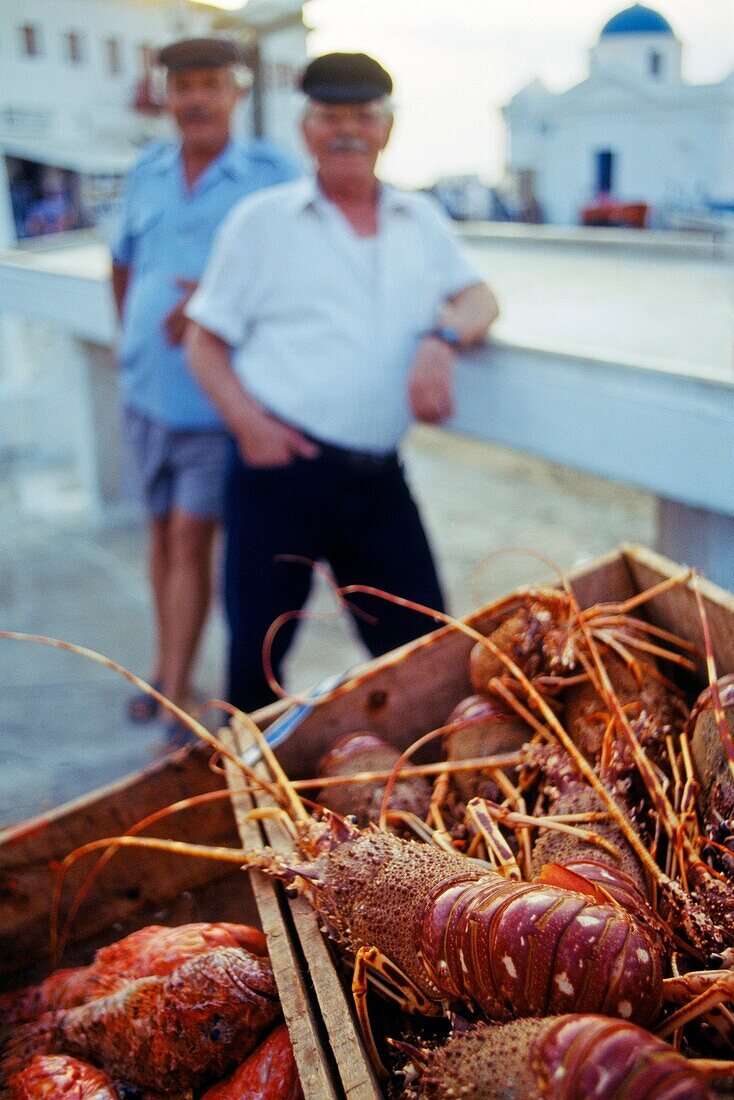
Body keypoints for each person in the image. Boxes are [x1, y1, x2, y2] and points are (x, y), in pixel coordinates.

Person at [186, 52, 499, 712]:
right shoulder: (260, 221)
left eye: (363, 116)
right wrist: (249, 424)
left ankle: (426, 792)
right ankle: (248, 797)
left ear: (388, 128)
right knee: (256, 665)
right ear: (307, 129)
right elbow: (202, 341)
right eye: (330, 116)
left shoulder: (421, 220)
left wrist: (440, 340)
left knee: (429, 657)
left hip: (378, 482)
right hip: (278, 478)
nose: (347, 131)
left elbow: (480, 297)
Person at [111, 37, 299, 743]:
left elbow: (298, 282)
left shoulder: (273, 173)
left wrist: (216, 303)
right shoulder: (145, 171)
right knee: (159, 535)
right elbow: (121, 266)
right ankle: (170, 670)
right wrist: (128, 341)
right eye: (183, 85)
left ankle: (177, 707)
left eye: (210, 84)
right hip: (145, 390)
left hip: (214, 402)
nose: (195, 99)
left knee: (193, 538)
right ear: (166, 94)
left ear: (236, 92)